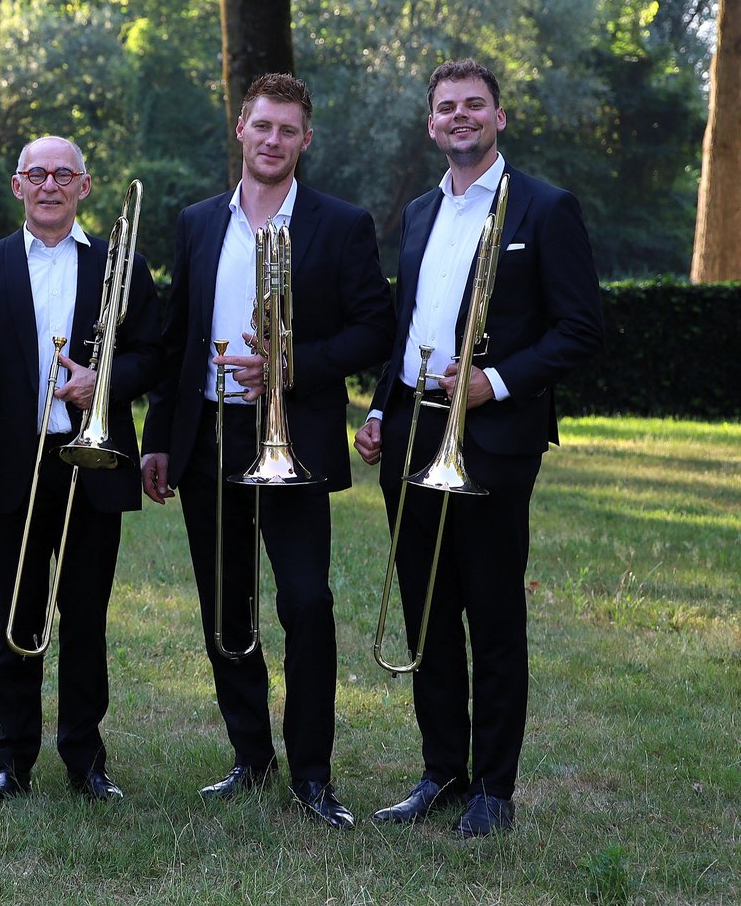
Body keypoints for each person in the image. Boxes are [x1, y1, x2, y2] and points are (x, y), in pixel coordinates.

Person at [354, 59, 602, 836]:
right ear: (431, 125)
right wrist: (378, 407)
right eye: (446, 107)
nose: (460, 116)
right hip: (414, 424)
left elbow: (580, 329)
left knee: (493, 612)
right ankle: (442, 772)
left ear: (499, 117)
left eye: (474, 105)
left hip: (491, 433)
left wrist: (495, 382)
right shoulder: (420, 213)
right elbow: (411, 325)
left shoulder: (545, 207)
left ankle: (494, 787)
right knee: (427, 612)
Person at [140, 73, 394, 829]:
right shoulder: (194, 222)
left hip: (293, 439)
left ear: (305, 139)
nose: (273, 140)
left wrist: (291, 363)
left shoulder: (342, 223)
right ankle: (251, 758)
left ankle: (312, 773)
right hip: (208, 437)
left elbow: (373, 330)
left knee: (307, 603)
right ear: (241, 132)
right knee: (227, 610)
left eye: (288, 129)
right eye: (262, 126)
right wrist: (159, 438)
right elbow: (175, 340)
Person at [0, 136, 160, 804]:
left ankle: (85, 758)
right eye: (36, 173)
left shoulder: (121, 263)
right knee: (19, 615)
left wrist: (105, 380)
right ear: (16, 185)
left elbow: (154, 354)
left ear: (85, 186)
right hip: (13, 465)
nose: (49, 185)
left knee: (86, 616)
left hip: (92, 460)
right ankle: (12, 756)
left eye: (62, 174)